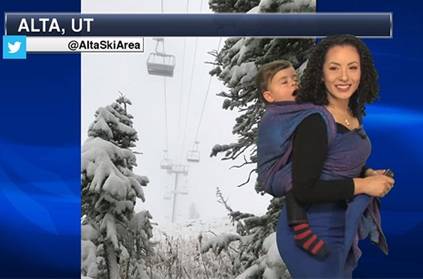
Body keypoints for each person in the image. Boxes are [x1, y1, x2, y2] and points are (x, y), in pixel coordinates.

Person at [271, 34, 395, 278]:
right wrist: (364, 185)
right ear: (321, 73)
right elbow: (304, 189)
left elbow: (334, 163)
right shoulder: (315, 120)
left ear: (363, 71)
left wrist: (367, 172)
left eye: (352, 67)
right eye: (334, 68)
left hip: (338, 224)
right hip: (309, 230)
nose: (344, 77)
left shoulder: (351, 113)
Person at [256, 60, 331, 259]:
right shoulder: (275, 116)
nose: (293, 83)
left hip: (288, 164)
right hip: (273, 174)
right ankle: (300, 228)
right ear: (269, 96)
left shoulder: (298, 109)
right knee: (299, 176)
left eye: (294, 79)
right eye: (284, 81)